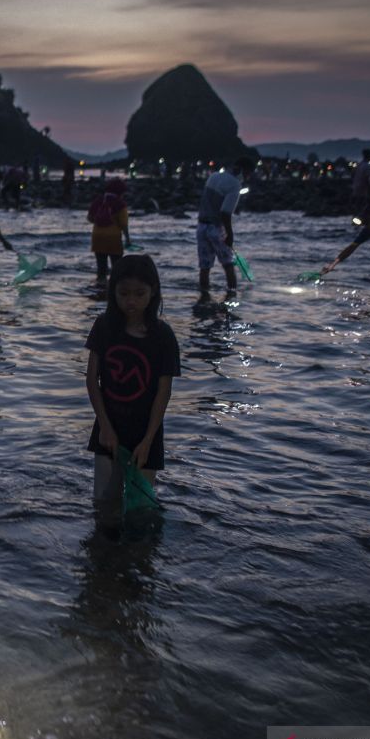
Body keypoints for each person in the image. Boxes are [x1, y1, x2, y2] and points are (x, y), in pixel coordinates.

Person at [84, 254, 180, 534]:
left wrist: (148, 440)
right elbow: (92, 380)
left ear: (153, 292)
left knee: (141, 510)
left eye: (140, 294)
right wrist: (104, 427)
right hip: (107, 428)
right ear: (113, 292)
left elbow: (164, 392)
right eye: (124, 293)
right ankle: (104, 560)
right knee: (104, 505)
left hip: (145, 434)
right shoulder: (104, 326)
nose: (131, 301)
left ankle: (137, 565)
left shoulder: (163, 336)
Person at [195, 157, 252, 291]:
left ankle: (204, 297)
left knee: (205, 267)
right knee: (228, 265)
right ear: (244, 171)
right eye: (249, 173)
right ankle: (232, 296)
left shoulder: (213, 176)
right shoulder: (235, 185)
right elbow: (225, 212)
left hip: (201, 227)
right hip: (216, 229)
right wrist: (229, 235)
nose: (249, 176)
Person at [86, 178, 132, 278]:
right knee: (117, 268)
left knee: (101, 268)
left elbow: (89, 218)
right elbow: (124, 224)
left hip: (97, 238)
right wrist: (127, 239)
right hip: (113, 239)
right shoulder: (120, 204)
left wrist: (101, 220)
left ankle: (100, 287)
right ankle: (113, 290)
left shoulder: (98, 201)